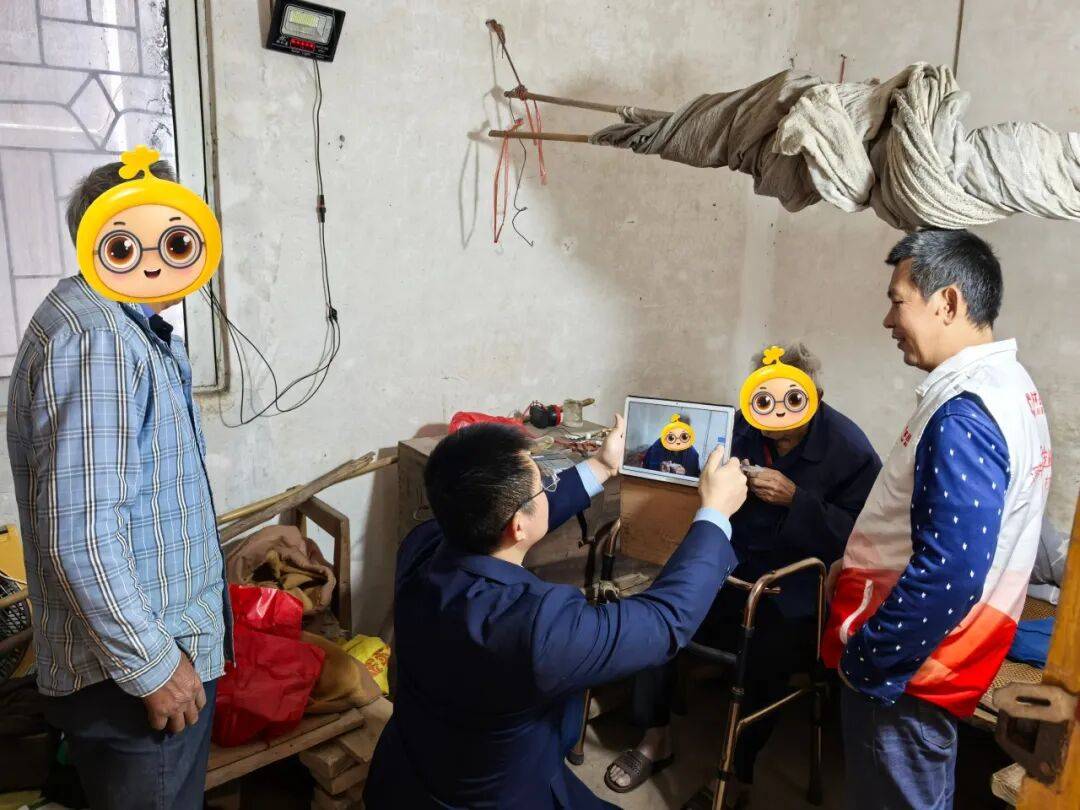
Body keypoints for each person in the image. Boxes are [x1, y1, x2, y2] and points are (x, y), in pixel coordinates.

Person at [363, 417, 749, 809]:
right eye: (545, 483)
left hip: (408, 773)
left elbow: (517, 513)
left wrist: (601, 466)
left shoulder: (423, 545)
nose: (550, 487)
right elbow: (665, 621)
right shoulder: (537, 626)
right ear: (517, 526)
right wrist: (715, 514)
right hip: (497, 798)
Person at [5, 160, 230, 809]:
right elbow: (81, 536)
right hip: (133, 683)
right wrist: (154, 667)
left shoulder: (124, 327)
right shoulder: (97, 337)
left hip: (145, 666)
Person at [824, 229, 1051, 810]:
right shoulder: (1008, 386)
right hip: (928, 663)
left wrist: (869, 660)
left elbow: (951, 572)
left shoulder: (964, 414)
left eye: (897, 301)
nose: (888, 320)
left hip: (908, 675)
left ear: (947, 302)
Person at [607, 343, 881, 806]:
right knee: (661, 611)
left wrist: (798, 501)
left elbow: (864, 535)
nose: (773, 414)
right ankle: (655, 737)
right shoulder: (744, 425)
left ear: (814, 396)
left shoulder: (849, 449)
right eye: (763, 399)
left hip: (794, 582)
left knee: (766, 655)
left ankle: (736, 773)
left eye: (790, 400)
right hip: (730, 562)